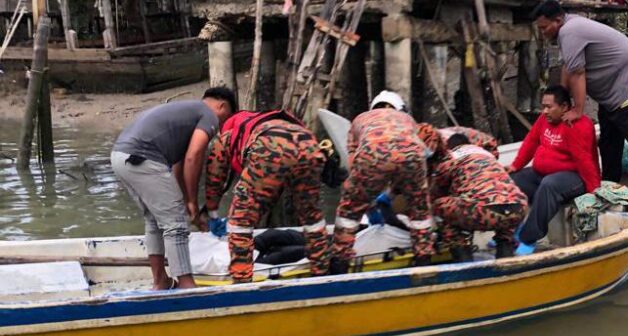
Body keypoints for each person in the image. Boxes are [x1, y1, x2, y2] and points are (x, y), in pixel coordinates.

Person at [532, 0, 628, 212]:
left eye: (545, 28)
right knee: (610, 138)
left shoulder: (569, 31)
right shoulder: (567, 28)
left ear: (557, 20)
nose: (543, 32)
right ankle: (610, 184)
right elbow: (568, 67)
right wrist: (561, 101)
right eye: (539, 29)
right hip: (610, 90)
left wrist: (578, 109)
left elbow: (577, 73)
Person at [110, 87, 236, 290]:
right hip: (143, 157)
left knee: (154, 220)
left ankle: (161, 281)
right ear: (222, 106)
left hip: (121, 156)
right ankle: (187, 285)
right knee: (175, 224)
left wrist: (188, 204)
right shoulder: (208, 114)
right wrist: (192, 203)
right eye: (226, 118)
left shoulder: (186, 114)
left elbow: (178, 166)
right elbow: (194, 156)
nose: (221, 126)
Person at [204, 109, 328, 282]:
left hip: (270, 146)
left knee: (240, 219)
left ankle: (242, 282)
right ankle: (322, 271)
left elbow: (214, 177)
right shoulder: (270, 121)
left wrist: (212, 212)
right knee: (311, 216)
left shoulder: (227, 135)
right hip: (309, 143)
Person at [329, 90, 434, 274]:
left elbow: (353, 162)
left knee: (349, 211)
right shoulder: (407, 120)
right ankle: (423, 261)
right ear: (400, 108)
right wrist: (398, 190)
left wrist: (363, 194)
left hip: (372, 153)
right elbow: (422, 154)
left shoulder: (360, 119)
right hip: (412, 156)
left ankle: (339, 264)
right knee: (420, 210)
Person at [507, 85, 601, 254]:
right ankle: (507, 234)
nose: (544, 111)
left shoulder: (577, 125)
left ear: (564, 107)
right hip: (541, 174)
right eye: (543, 106)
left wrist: (593, 190)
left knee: (549, 185)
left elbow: (584, 160)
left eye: (549, 107)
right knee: (512, 180)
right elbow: (531, 141)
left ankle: (528, 239)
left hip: (574, 177)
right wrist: (516, 165)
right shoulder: (545, 119)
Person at [426, 129, 528, 261]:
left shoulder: (451, 157)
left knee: (440, 205)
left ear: (449, 148)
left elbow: (436, 191)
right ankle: (505, 252)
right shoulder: (487, 154)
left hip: (482, 211)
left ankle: (463, 258)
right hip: (519, 208)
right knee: (505, 203)